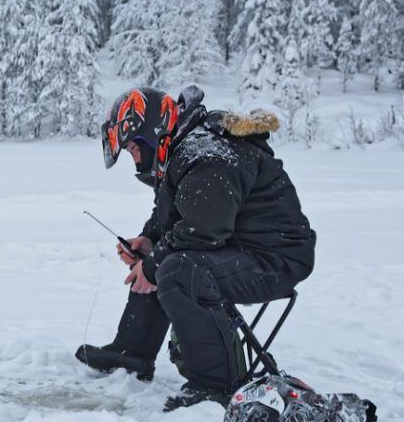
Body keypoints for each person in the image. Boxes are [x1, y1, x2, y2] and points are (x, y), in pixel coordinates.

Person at [75, 86, 316, 405]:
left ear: (150, 131)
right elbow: (180, 215)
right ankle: (131, 352)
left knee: (175, 269)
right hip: (239, 248)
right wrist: (149, 242)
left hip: (275, 259)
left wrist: (153, 263)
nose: (134, 159)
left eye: (133, 148)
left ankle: (214, 384)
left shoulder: (206, 152)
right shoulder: (186, 147)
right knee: (162, 259)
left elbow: (204, 229)